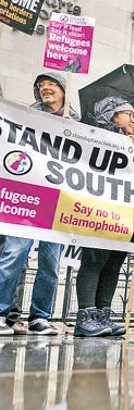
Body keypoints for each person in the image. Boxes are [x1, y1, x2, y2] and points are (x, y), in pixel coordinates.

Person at [0, 72, 79, 336]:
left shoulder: (78, 123)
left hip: (59, 201)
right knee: (13, 254)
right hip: (27, 197)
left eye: (51, 84)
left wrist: (74, 132)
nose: (45, 88)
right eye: (41, 86)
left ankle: (40, 317)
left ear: (64, 90)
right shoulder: (24, 117)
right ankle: (1, 313)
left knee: (50, 263)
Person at [74, 97, 134, 337]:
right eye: (128, 114)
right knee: (94, 260)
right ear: (113, 115)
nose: (133, 119)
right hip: (97, 210)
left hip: (123, 214)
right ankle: (86, 315)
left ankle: (103, 314)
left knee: (114, 263)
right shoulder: (93, 135)